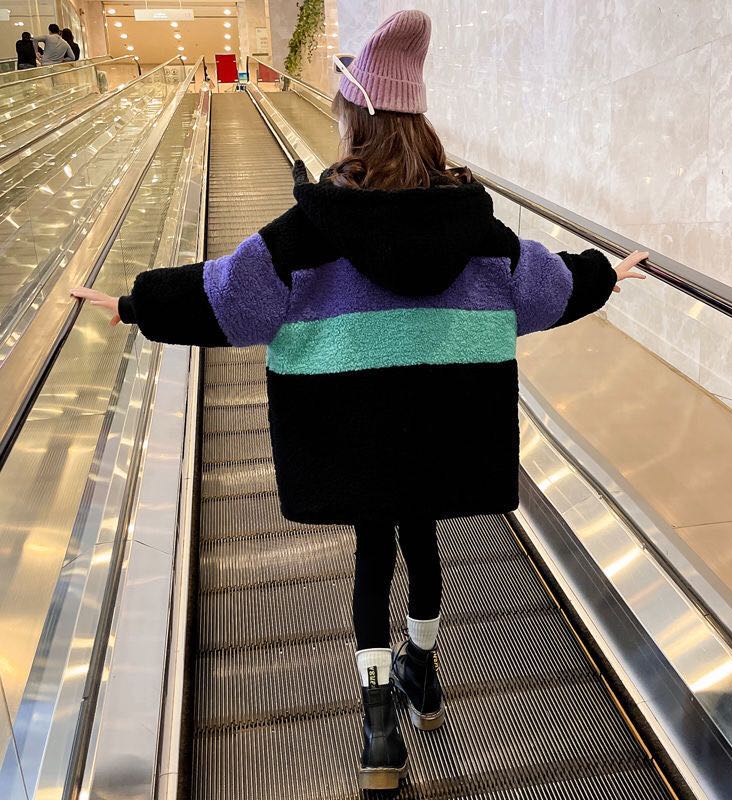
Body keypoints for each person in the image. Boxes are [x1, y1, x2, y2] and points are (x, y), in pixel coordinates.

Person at [71, 9, 646, 791]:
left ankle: (379, 729)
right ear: (420, 123)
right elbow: (546, 287)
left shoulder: (307, 232)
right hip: (443, 436)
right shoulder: (477, 231)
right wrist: (606, 274)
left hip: (351, 439)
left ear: (354, 120)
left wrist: (136, 304)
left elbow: (225, 297)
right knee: (424, 544)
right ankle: (424, 678)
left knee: (373, 559)